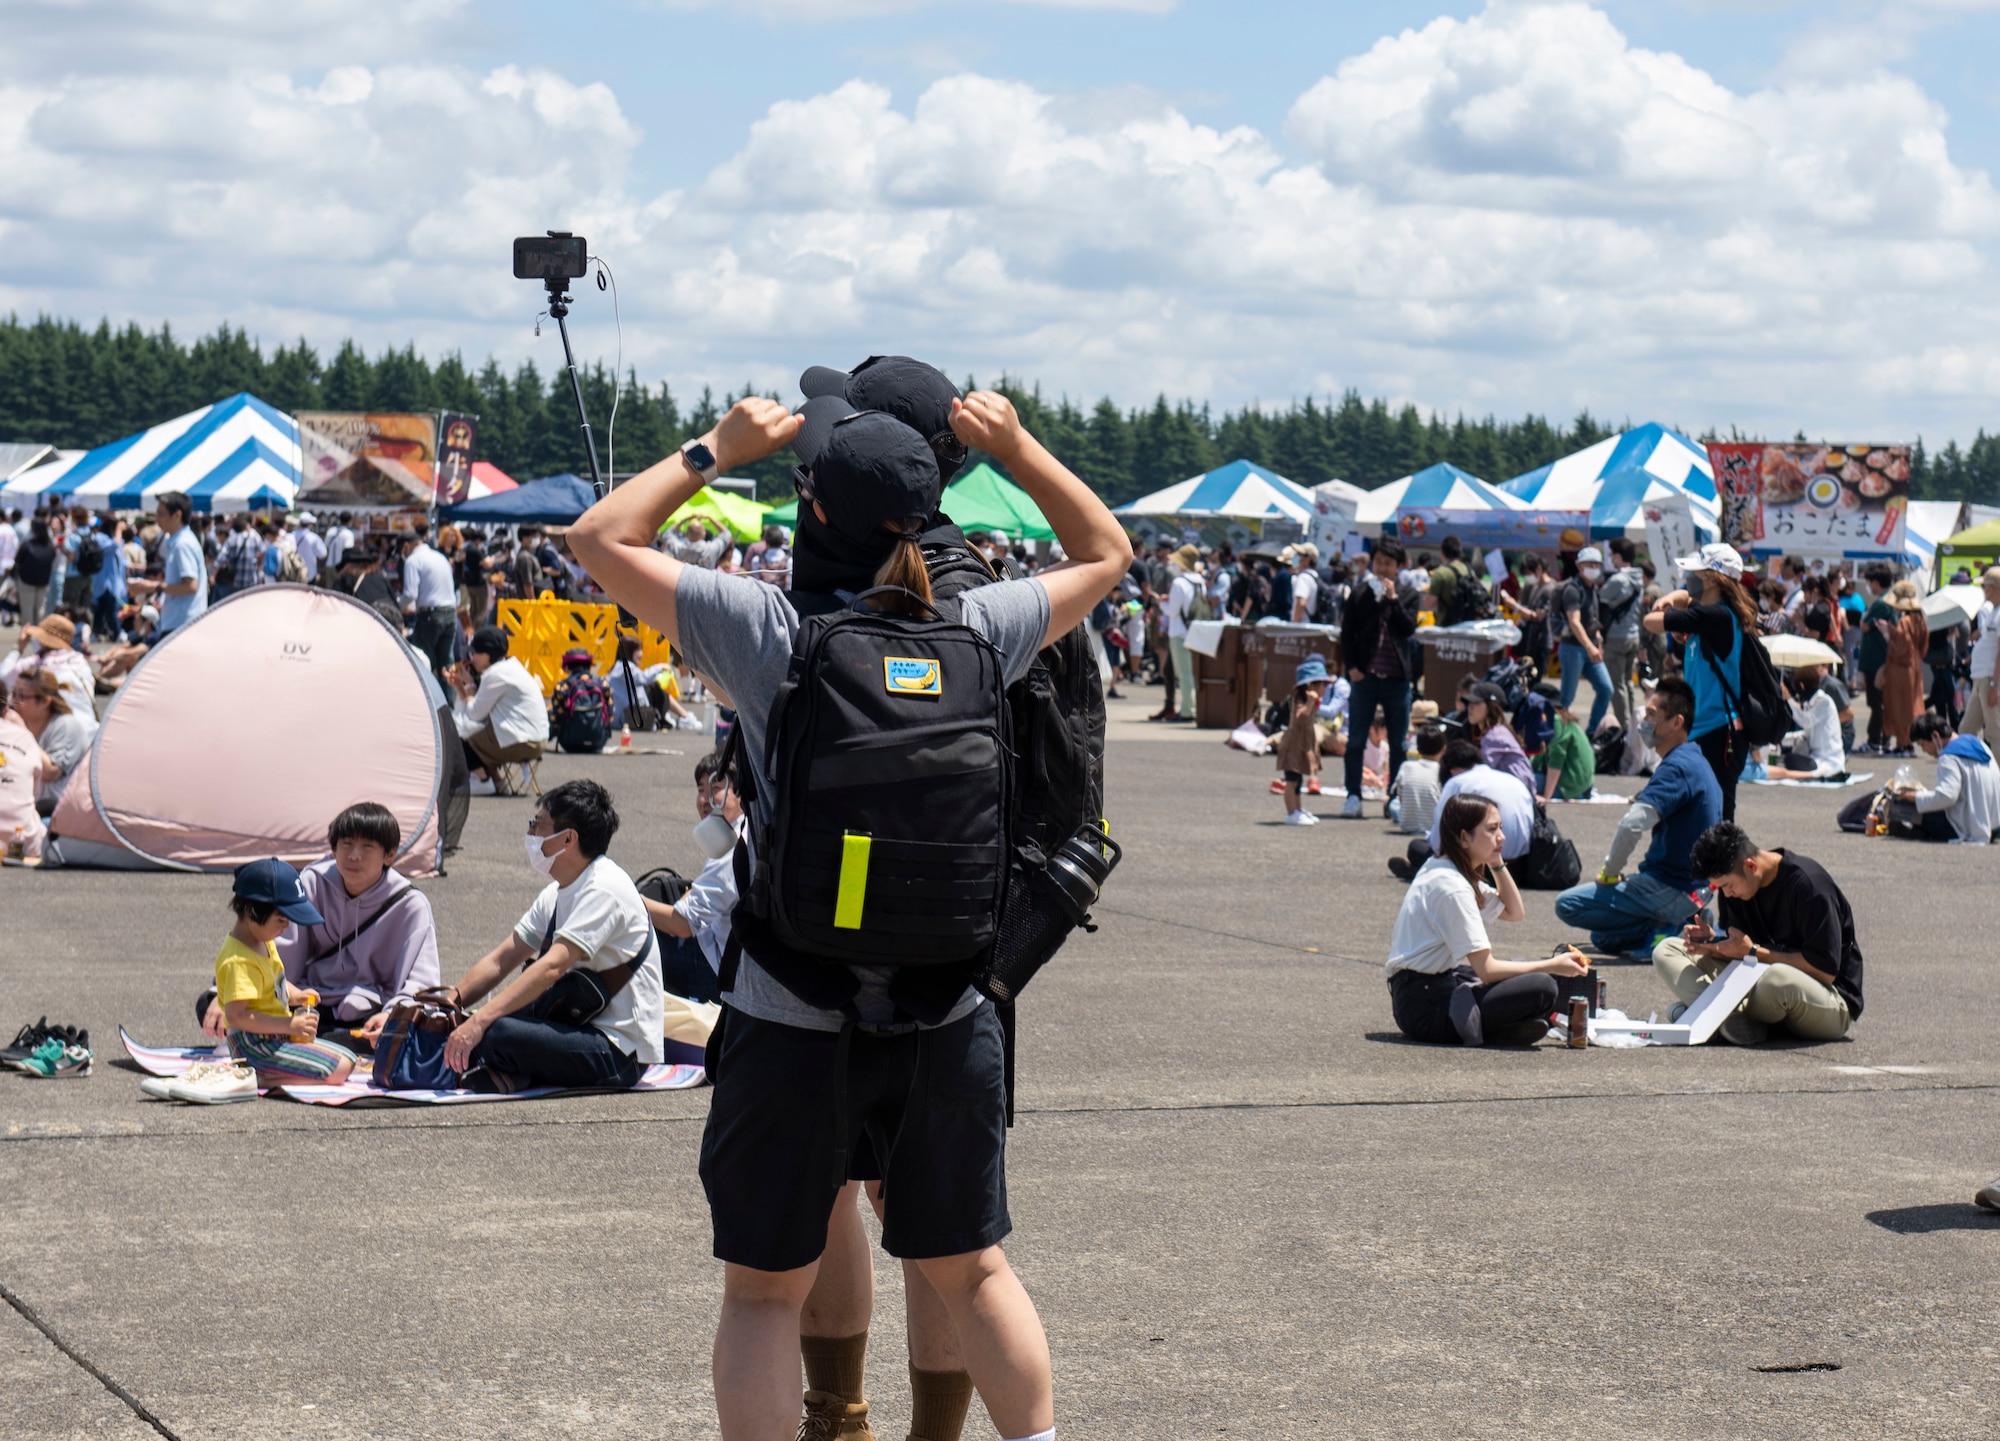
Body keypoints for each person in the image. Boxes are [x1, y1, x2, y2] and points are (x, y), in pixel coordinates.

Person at [569, 385, 1130, 1441]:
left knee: (760, 1293)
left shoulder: (771, 632)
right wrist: (1013, 447)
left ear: (809, 513)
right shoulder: (979, 623)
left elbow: (599, 537)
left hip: (791, 1006)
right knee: (974, 1271)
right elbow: (1105, 550)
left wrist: (715, 447)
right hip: (948, 1006)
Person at [441, 780, 664, 1091]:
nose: (531, 834)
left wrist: (478, 1023)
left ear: (568, 839)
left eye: (537, 825)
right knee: (470, 1025)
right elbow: (501, 960)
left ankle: (510, 1069)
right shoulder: (557, 892)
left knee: (494, 1032)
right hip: (575, 1026)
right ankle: (510, 1071)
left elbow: (552, 967)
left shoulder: (604, 888)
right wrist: (443, 1008)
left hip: (617, 1052)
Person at [195, 802, 441, 1050]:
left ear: (389, 855)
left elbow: (422, 984)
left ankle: (299, 1043)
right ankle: (310, 1043)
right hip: (308, 1002)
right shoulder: (312, 882)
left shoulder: (411, 905)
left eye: (367, 846)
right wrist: (224, 996)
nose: (354, 855)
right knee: (208, 1005)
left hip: (370, 1012)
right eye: (346, 844)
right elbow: (267, 947)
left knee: (394, 1031)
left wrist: (392, 1016)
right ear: (333, 849)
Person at [1384, 792, 1586, 1047]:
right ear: (1464, 838)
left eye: (1500, 827)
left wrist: (1496, 863)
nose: (1501, 836)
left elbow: (1514, 912)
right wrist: (1551, 964)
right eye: (1492, 830)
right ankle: (1497, 1029)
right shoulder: (1453, 888)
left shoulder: (1443, 866)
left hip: (1422, 991)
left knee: (1522, 974)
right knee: (1543, 985)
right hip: (1426, 1008)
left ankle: (1506, 1025)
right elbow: (1487, 970)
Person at [1553, 677, 1721, 956]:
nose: (1644, 721)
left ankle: (1675, 928)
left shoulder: (1677, 766)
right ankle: (1674, 926)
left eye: (1652, 715)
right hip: (1694, 888)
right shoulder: (1695, 760)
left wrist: (1610, 873)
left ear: (1677, 722)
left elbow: (1632, 824)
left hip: (1672, 885)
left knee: (1567, 904)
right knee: (1603, 939)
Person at [1653, 823, 1862, 1045]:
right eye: (1719, 888)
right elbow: (1742, 953)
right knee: (1667, 950)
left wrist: (1753, 951)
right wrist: (1712, 944)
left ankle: (1709, 1014)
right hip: (1756, 985)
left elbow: (1825, 970)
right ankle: (1729, 1021)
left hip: (1826, 998)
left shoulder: (1810, 886)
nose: (1726, 893)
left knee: (1777, 980)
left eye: (1728, 885)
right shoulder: (1735, 892)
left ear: (1750, 866)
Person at [212, 858, 358, 1089]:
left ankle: (270, 1075)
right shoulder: (238, 961)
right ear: (251, 911)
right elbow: (238, 1016)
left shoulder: (262, 940)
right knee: (338, 1070)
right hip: (254, 1046)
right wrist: (289, 1025)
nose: (287, 927)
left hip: (275, 1037)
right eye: (281, 919)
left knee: (350, 1059)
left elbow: (274, 983)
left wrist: (296, 995)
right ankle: (262, 1079)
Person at [1644, 541, 1760, 821]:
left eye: (1695, 574)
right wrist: (1679, 596)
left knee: (1719, 814)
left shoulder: (1715, 615)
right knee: (1703, 811)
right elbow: (1683, 605)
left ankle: (1725, 864)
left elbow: (1651, 621)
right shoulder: (1713, 615)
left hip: (1721, 730)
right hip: (1705, 728)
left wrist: (1673, 601)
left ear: (1710, 578)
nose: (1690, 579)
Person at [643, 755, 739, 1005]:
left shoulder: (732, 849)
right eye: (700, 790)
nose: (704, 800)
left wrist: (628, 898)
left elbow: (682, 925)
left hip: (718, 970)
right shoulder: (750, 829)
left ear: (740, 794)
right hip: (736, 960)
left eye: (716, 789)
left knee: (632, 935)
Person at [1339, 536, 1420, 819]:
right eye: (1378, 562)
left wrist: (1393, 600)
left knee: (1398, 743)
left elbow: (1407, 629)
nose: (1382, 569)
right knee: (1356, 739)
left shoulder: (1409, 594)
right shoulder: (1360, 593)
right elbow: (1347, 634)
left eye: (1388, 563)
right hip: (1365, 677)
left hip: (1397, 679)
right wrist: (1352, 668)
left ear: (1399, 567)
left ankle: (1394, 797)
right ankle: (1352, 794)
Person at [1388, 738, 1534, 881]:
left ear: (1453, 771)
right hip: (1522, 865)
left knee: (1416, 848)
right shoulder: (1512, 780)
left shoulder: (1457, 783)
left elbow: (1438, 843)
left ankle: (1419, 870)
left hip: (1482, 867)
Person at [450, 626, 548, 792]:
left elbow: (474, 714)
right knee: (475, 731)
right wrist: (463, 686)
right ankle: (495, 781)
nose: (471, 657)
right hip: (535, 739)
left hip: (522, 742)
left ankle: (481, 780)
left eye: (475, 653)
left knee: (456, 733)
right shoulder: (511, 668)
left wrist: (468, 685)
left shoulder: (496, 674)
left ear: (487, 655)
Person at [1891, 712, 2000, 844]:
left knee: (1907, 808)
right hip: (1995, 825)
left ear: (1935, 736)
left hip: (1971, 828)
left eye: (1923, 744)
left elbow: (1947, 797)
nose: (1924, 751)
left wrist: (1916, 796)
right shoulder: (1977, 743)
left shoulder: (1948, 757)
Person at [5, 667, 96, 817]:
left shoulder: (66, 726)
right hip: (25, 804)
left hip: (58, 812)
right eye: (14, 694)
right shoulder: (23, 723)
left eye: (22, 696)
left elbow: (49, 772)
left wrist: (21, 731)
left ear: (45, 701)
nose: (14, 701)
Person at [126, 492, 207, 641]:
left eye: (161, 514)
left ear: (177, 515)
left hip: (182, 623)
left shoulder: (182, 544)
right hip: (181, 622)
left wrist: (153, 586)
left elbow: (190, 586)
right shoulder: (179, 541)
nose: (157, 520)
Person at [1597, 538, 1646, 764]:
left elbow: (1601, 599)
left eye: (1612, 555)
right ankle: (1632, 725)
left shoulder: (1618, 579)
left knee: (1616, 684)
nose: (1611, 559)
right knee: (1627, 683)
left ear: (1618, 556)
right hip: (1633, 635)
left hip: (1616, 637)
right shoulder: (1638, 577)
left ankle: (1625, 729)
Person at [1558, 545, 1614, 737]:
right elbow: (1574, 622)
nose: (1594, 567)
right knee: (1567, 696)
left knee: (1606, 688)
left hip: (1589, 647)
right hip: (1572, 648)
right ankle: (1559, 734)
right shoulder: (1573, 589)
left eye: (1597, 564)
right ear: (1579, 566)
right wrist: (1590, 647)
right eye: (1589, 564)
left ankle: (1591, 733)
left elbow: (1591, 621)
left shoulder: (1592, 589)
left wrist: (1597, 640)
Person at [5, 612, 95, 719]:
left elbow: (4, 677)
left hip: (50, 727)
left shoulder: (34, 664)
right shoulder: (80, 661)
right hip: (88, 724)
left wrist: (18, 648)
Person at [1765, 664, 1846, 780]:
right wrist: (1780, 738)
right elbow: (1806, 733)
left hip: (1828, 761)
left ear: (1802, 686)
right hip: (1816, 756)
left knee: (1789, 760)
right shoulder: (1812, 703)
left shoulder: (1824, 702)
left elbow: (1806, 721)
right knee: (1783, 758)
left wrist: (1788, 699)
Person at [1876, 580, 1928, 755]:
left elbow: (1900, 649)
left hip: (1900, 669)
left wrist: (1886, 635)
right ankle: (1904, 743)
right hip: (1914, 667)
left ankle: (1904, 743)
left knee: (1899, 707)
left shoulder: (1904, 621)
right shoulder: (1920, 619)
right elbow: (1920, 647)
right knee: (1910, 706)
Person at [398, 530, 458, 682]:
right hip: (450, 613)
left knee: (422, 663)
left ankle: (426, 703)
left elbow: (410, 594)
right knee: (446, 664)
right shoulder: (440, 557)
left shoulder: (413, 560)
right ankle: (448, 703)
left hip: (430, 615)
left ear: (406, 546)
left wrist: (397, 606)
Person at [1151, 543, 1201, 723]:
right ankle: (1185, 707)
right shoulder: (1199, 580)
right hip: (1194, 629)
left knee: (1184, 673)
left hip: (1179, 632)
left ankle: (1188, 710)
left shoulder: (1179, 582)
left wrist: (1160, 603)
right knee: (1187, 671)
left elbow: (1172, 611)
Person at [1275, 657, 1327, 826]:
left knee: (1298, 781)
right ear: (1311, 686)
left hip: (1302, 745)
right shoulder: (1301, 700)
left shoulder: (1310, 702)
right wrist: (1311, 702)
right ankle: (1291, 813)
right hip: (1293, 746)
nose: (1324, 688)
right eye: (1321, 684)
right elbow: (1300, 718)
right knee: (1291, 781)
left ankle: (1298, 809)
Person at [1852, 561, 1897, 752]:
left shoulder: (1881, 603)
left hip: (1877, 661)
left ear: (1876, 582)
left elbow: (1864, 626)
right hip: (1882, 659)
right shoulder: (1890, 600)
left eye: (1870, 582)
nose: (1869, 587)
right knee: (1882, 702)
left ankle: (1875, 740)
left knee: (1877, 703)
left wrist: (1863, 617)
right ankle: (1883, 739)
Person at [1464, 681, 1534, 791]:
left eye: (1476, 702)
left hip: (1515, 795)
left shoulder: (1495, 736)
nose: (1470, 707)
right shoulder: (1497, 730)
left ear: (1491, 706)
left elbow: (1480, 772)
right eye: (1469, 702)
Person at [1959, 566, 2000, 746]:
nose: (1984, 590)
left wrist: (1995, 685)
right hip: (1981, 678)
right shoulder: (1993, 612)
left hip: (1990, 679)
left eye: (1985, 586)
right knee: (1966, 730)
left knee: (1994, 733)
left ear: (1992, 588)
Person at [550, 646, 614, 753]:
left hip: (570, 743)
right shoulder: (602, 683)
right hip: (598, 741)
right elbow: (610, 713)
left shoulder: (562, 686)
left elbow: (557, 717)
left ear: (568, 666)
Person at [1390, 722, 1445, 836]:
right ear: (1443, 749)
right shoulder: (1442, 770)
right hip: (1434, 826)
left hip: (1407, 826)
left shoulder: (1406, 766)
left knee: (1393, 805)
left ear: (1418, 750)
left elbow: (1401, 798)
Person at [1535, 700, 1597, 801]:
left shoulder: (1556, 721)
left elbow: (1557, 757)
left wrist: (1546, 797)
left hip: (1571, 787)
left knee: (1518, 781)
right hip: (1582, 786)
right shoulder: (1565, 720)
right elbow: (1540, 755)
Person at [13, 517, 57, 626]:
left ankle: (28, 633)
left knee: (27, 608)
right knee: (40, 609)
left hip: (26, 581)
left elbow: (18, 561)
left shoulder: (27, 545)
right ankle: (39, 633)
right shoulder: (50, 547)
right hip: (43, 581)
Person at [1289, 543, 1321, 624]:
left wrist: (1294, 625)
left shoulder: (1303, 578)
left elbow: (1301, 603)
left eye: (1299, 555)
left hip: (1301, 627)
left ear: (1308, 559)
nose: (1296, 557)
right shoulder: (1315, 576)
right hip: (1310, 625)